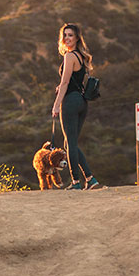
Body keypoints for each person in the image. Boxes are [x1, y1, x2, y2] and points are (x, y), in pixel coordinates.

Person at [51, 22, 103, 190]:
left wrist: (56, 105)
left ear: (77, 38)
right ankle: (91, 179)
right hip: (82, 102)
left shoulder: (69, 56)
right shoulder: (81, 57)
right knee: (70, 143)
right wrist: (63, 88)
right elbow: (75, 81)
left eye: (70, 35)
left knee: (70, 144)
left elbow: (65, 82)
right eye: (65, 35)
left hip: (71, 103)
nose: (67, 38)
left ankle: (76, 182)